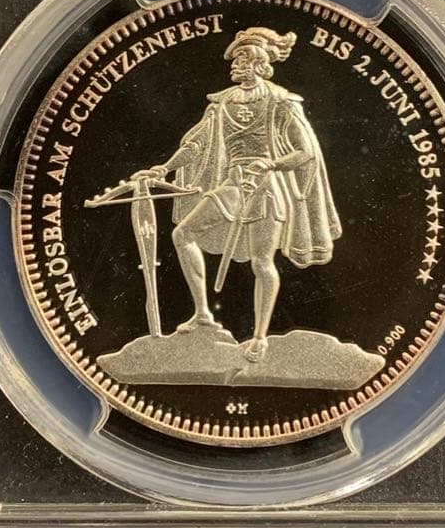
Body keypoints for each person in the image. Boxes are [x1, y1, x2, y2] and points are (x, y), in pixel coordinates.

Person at [134, 27, 341, 362]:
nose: (234, 64)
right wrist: (164, 169)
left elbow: (304, 152)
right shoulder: (221, 104)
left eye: (242, 58)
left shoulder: (282, 102)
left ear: (259, 63)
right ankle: (202, 314)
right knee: (183, 234)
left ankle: (259, 338)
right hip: (232, 185)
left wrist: (271, 163)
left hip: (268, 190)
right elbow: (195, 144)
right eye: (235, 59)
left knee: (262, 261)